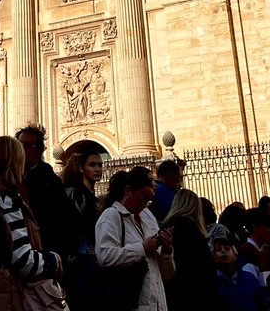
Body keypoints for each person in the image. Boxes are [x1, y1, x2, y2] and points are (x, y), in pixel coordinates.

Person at [0, 135, 65, 303]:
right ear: (14, 162)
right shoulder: (4, 200)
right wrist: (52, 260)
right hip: (4, 295)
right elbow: (22, 261)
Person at [95, 166, 174, 311]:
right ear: (128, 191)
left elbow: (164, 273)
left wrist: (166, 250)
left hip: (156, 302)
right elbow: (105, 256)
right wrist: (142, 248)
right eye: (143, 198)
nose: (145, 205)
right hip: (129, 302)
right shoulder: (111, 216)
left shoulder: (148, 217)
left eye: (149, 201)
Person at [16, 124, 81, 259]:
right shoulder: (11, 176)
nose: (20, 149)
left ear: (38, 151)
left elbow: (65, 216)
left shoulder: (49, 179)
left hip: (45, 248)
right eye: (18, 145)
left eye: (27, 146)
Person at [62, 148, 104, 310]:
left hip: (93, 259)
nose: (98, 169)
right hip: (79, 261)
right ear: (81, 168)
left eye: (100, 165)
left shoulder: (93, 198)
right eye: (92, 165)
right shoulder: (74, 194)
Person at [162, 187, 215, 310]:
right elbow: (203, 261)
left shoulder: (167, 226)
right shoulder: (189, 227)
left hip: (173, 289)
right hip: (194, 290)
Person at [213, 234, 262, 311]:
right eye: (218, 249)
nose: (223, 251)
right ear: (215, 258)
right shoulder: (213, 284)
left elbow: (261, 301)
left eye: (227, 248)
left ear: (235, 255)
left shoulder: (249, 276)